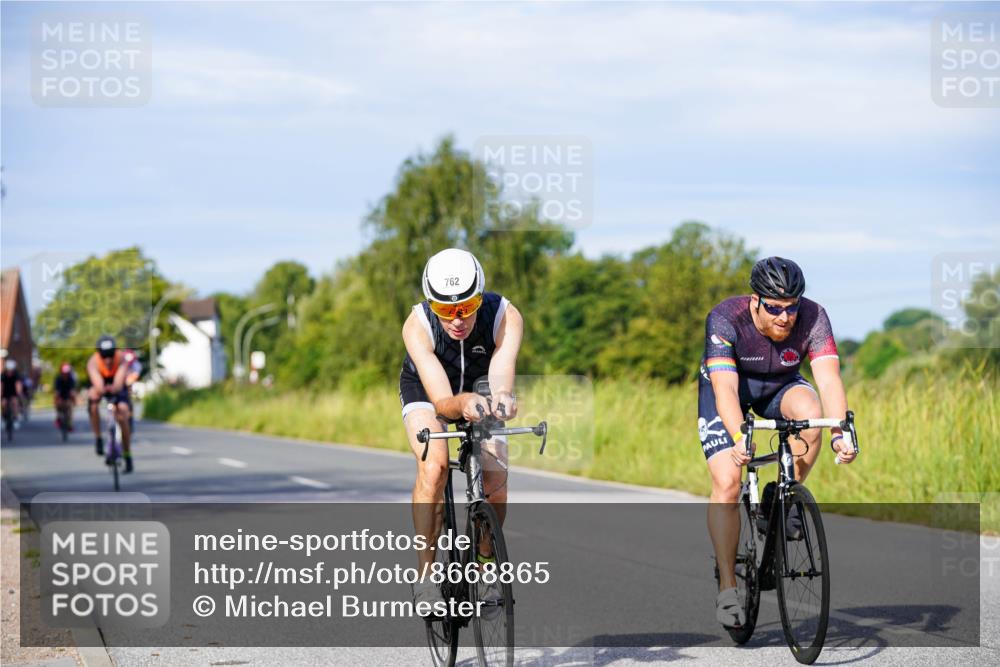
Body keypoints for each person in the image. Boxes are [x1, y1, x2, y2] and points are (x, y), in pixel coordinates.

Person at [699, 256, 856, 628]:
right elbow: (725, 390)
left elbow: (829, 379)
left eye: (791, 307)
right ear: (755, 300)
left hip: (780, 387)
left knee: (811, 413)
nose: (785, 317)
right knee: (728, 482)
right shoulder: (725, 318)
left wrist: (840, 432)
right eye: (774, 308)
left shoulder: (814, 317)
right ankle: (727, 587)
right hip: (729, 390)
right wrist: (740, 436)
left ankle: (780, 499)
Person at [400, 249, 523, 609]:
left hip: (480, 386)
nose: (457, 319)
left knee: (495, 478)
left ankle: (485, 567)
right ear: (431, 304)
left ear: (480, 297)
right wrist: (463, 402)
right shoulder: (417, 326)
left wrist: (503, 398)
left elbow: (500, 375)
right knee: (434, 465)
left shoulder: (505, 315)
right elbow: (442, 403)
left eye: (467, 307)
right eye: (445, 309)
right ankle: (426, 578)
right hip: (428, 391)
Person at [86, 335, 133, 472]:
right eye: (104, 356)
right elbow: (98, 384)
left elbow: (118, 382)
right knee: (93, 404)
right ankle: (98, 438)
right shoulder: (92, 362)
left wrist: (114, 389)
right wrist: (101, 390)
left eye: (111, 355)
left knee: (123, 412)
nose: (108, 360)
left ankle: (127, 455)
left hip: (117, 384)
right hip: (100, 382)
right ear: (99, 354)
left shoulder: (121, 359)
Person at [53, 362, 77, 431]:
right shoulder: (58, 379)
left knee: (70, 407)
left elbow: (72, 390)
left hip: (68, 395)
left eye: (67, 373)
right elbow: (57, 391)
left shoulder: (71, 379)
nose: (65, 374)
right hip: (60, 395)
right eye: (64, 373)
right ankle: (58, 418)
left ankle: (69, 424)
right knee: (58, 404)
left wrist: (74, 399)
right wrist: (57, 399)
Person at [1, 359, 24, 432]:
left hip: (14, 391)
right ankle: (4, 418)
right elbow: (1, 385)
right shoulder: (3, 375)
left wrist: (19, 394)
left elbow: (18, 385)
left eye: (11, 370)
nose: (10, 371)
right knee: (3, 404)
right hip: (5, 391)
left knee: (15, 403)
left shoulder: (16, 375)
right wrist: (1, 395)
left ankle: (15, 418)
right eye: (8, 370)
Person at [122, 349, 142, 431]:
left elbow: (136, 375)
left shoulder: (136, 364)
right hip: (120, 384)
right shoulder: (120, 362)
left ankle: (130, 418)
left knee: (129, 400)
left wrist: (128, 381)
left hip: (129, 385)